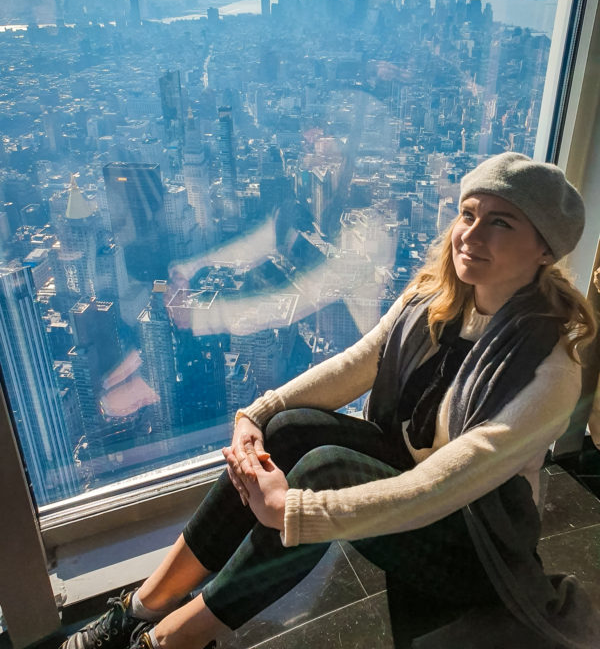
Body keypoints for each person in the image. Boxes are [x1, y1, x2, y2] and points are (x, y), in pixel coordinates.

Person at [61, 153, 599, 649]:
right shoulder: (433, 301)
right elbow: (356, 365)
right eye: (467, 214)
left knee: (321, 473)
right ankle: (140, 608)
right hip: (413, 483)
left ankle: (169, 640)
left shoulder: (549, 371)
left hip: (475, 540)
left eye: (500, 222)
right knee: (287, 430)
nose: (470, 234)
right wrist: (257, 414)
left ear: (546, 248)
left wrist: (289, 510)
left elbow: (439, 489)